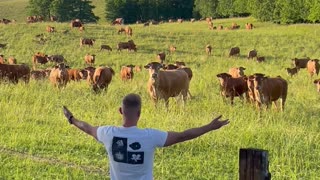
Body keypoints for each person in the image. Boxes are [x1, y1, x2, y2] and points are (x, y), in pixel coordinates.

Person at [63, 93, 229, 180]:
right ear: (140, 113)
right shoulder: (151, 136)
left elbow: (87, 127)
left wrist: (71, 119)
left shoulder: (107, 133)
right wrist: (210, 127)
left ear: (120, 111)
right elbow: (183, 136)